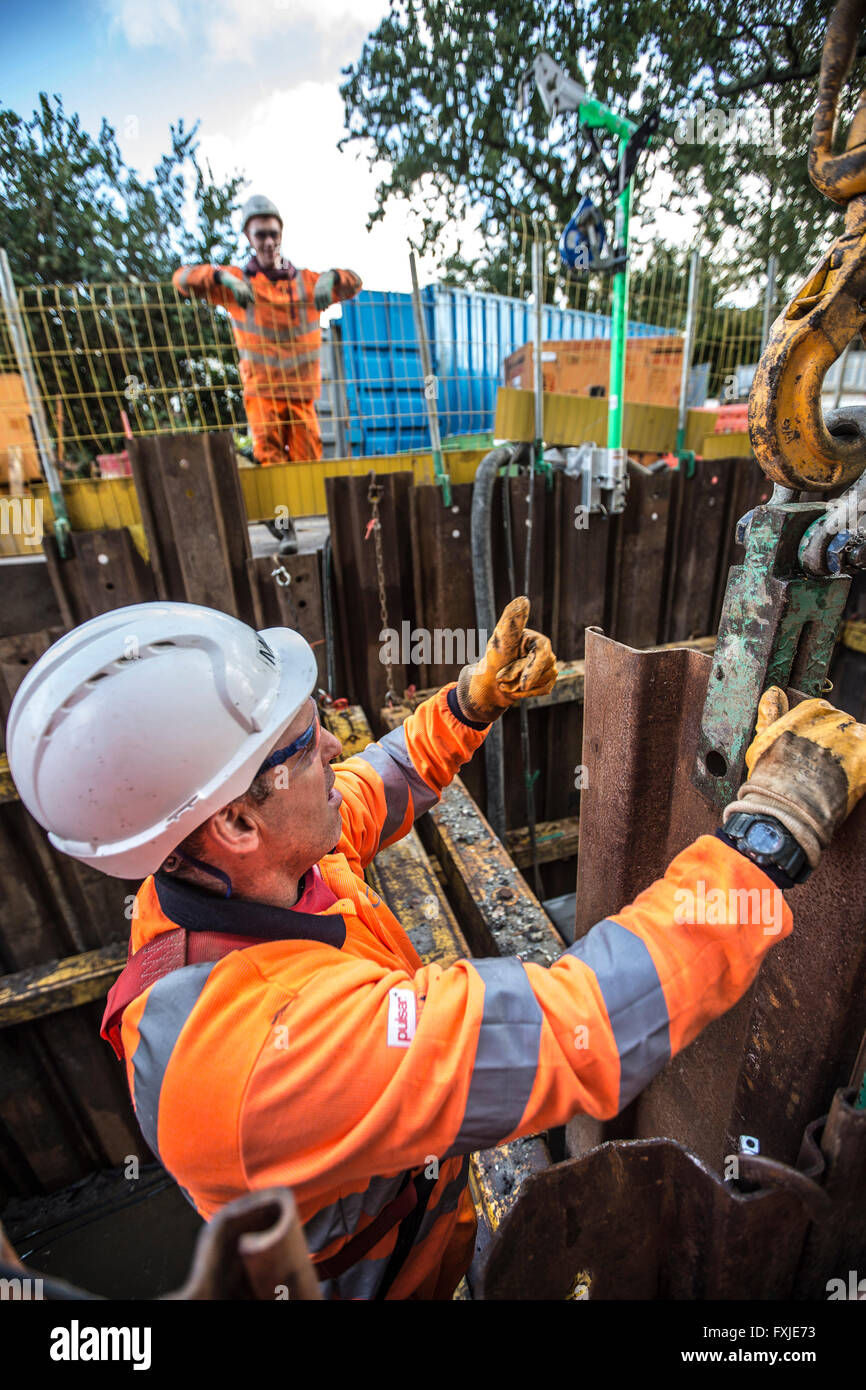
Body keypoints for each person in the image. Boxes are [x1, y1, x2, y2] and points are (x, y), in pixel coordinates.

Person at [6, 598, 865, 1299]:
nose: (335, 744)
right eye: (308, 742)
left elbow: (371, 784)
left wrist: (470, 703)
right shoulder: (256, 1060)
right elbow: (584, 1024)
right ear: (234, 819)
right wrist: (771, 834)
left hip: (414, 1211)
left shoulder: (236, 868)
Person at [173, 195, 361, 551]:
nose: (268, 242)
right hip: (262, 392)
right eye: (260, 235)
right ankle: (284, 528)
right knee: (271, 461)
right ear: (248, 236)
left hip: (302, 392)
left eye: (273, 233)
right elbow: (182, 279)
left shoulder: (306, 282)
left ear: (281, 234)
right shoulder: (236, 283)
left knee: (307, 462)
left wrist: (333, 277)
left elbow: (355, 282)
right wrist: (219, 278)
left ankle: (321, 530)